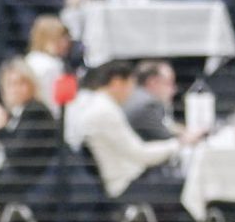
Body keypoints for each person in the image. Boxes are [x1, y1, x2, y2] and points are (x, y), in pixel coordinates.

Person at [75, 59, 197, 202]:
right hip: (125, 186)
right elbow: (141, 154)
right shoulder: (104, 111)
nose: (132, 92)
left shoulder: (99, 105)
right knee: (192, 187)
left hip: (129, 179)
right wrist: (179, 144)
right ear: (117, 82)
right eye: (130, 85)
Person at [0, 58, 61, 204]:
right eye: (10, 84)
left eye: (21, 83)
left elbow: (17, 154)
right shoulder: (19, 112)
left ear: (32, 85)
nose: (15, 89)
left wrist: (1, 129)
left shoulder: (36, 111)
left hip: (34, 185)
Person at [123, 59, 178, 141]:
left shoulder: (133, 96)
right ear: (153, 82)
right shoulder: (148, 104)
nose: (174, 89)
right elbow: (166, 138)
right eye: (169, 83)